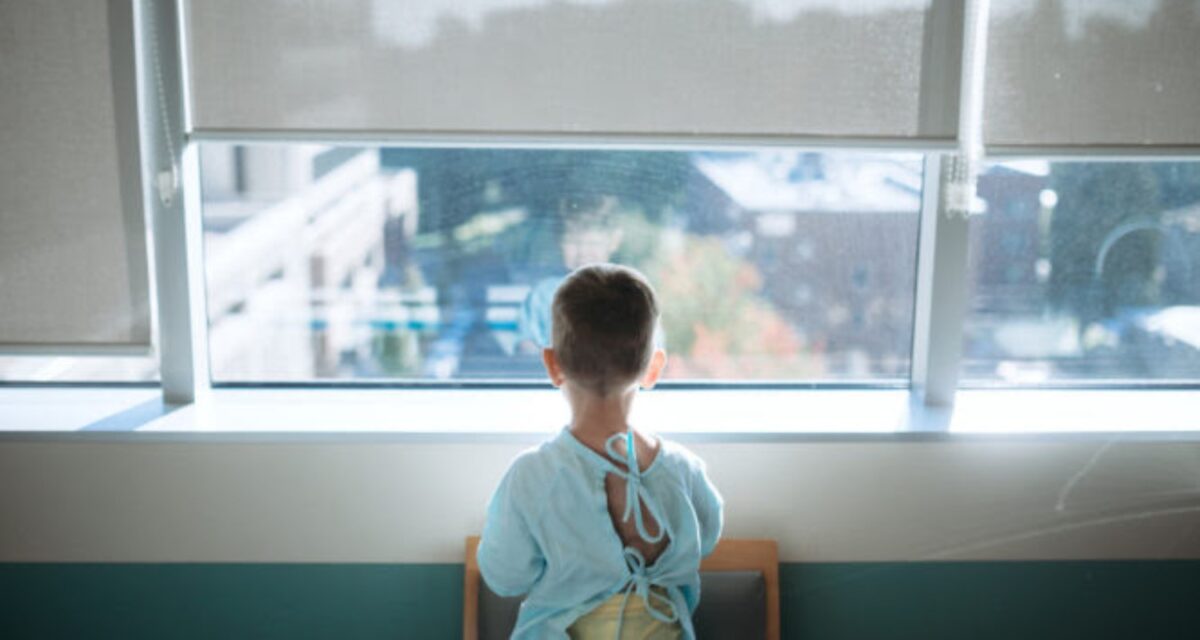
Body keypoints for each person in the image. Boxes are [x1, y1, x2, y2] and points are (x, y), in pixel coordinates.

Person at [477, 264, 724, 639]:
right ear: (654, 368)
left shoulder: (533, 477)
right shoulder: (683, 471)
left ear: (552, 364)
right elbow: (706, 536)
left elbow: (505, 576)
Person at [516, 195, 625, 352]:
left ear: (614, 241)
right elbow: (527, 345)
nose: (583, 252)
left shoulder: (628, 294)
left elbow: (648, 349)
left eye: (593, 243)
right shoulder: (543, 295)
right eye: (572, 242)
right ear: (558, 242)